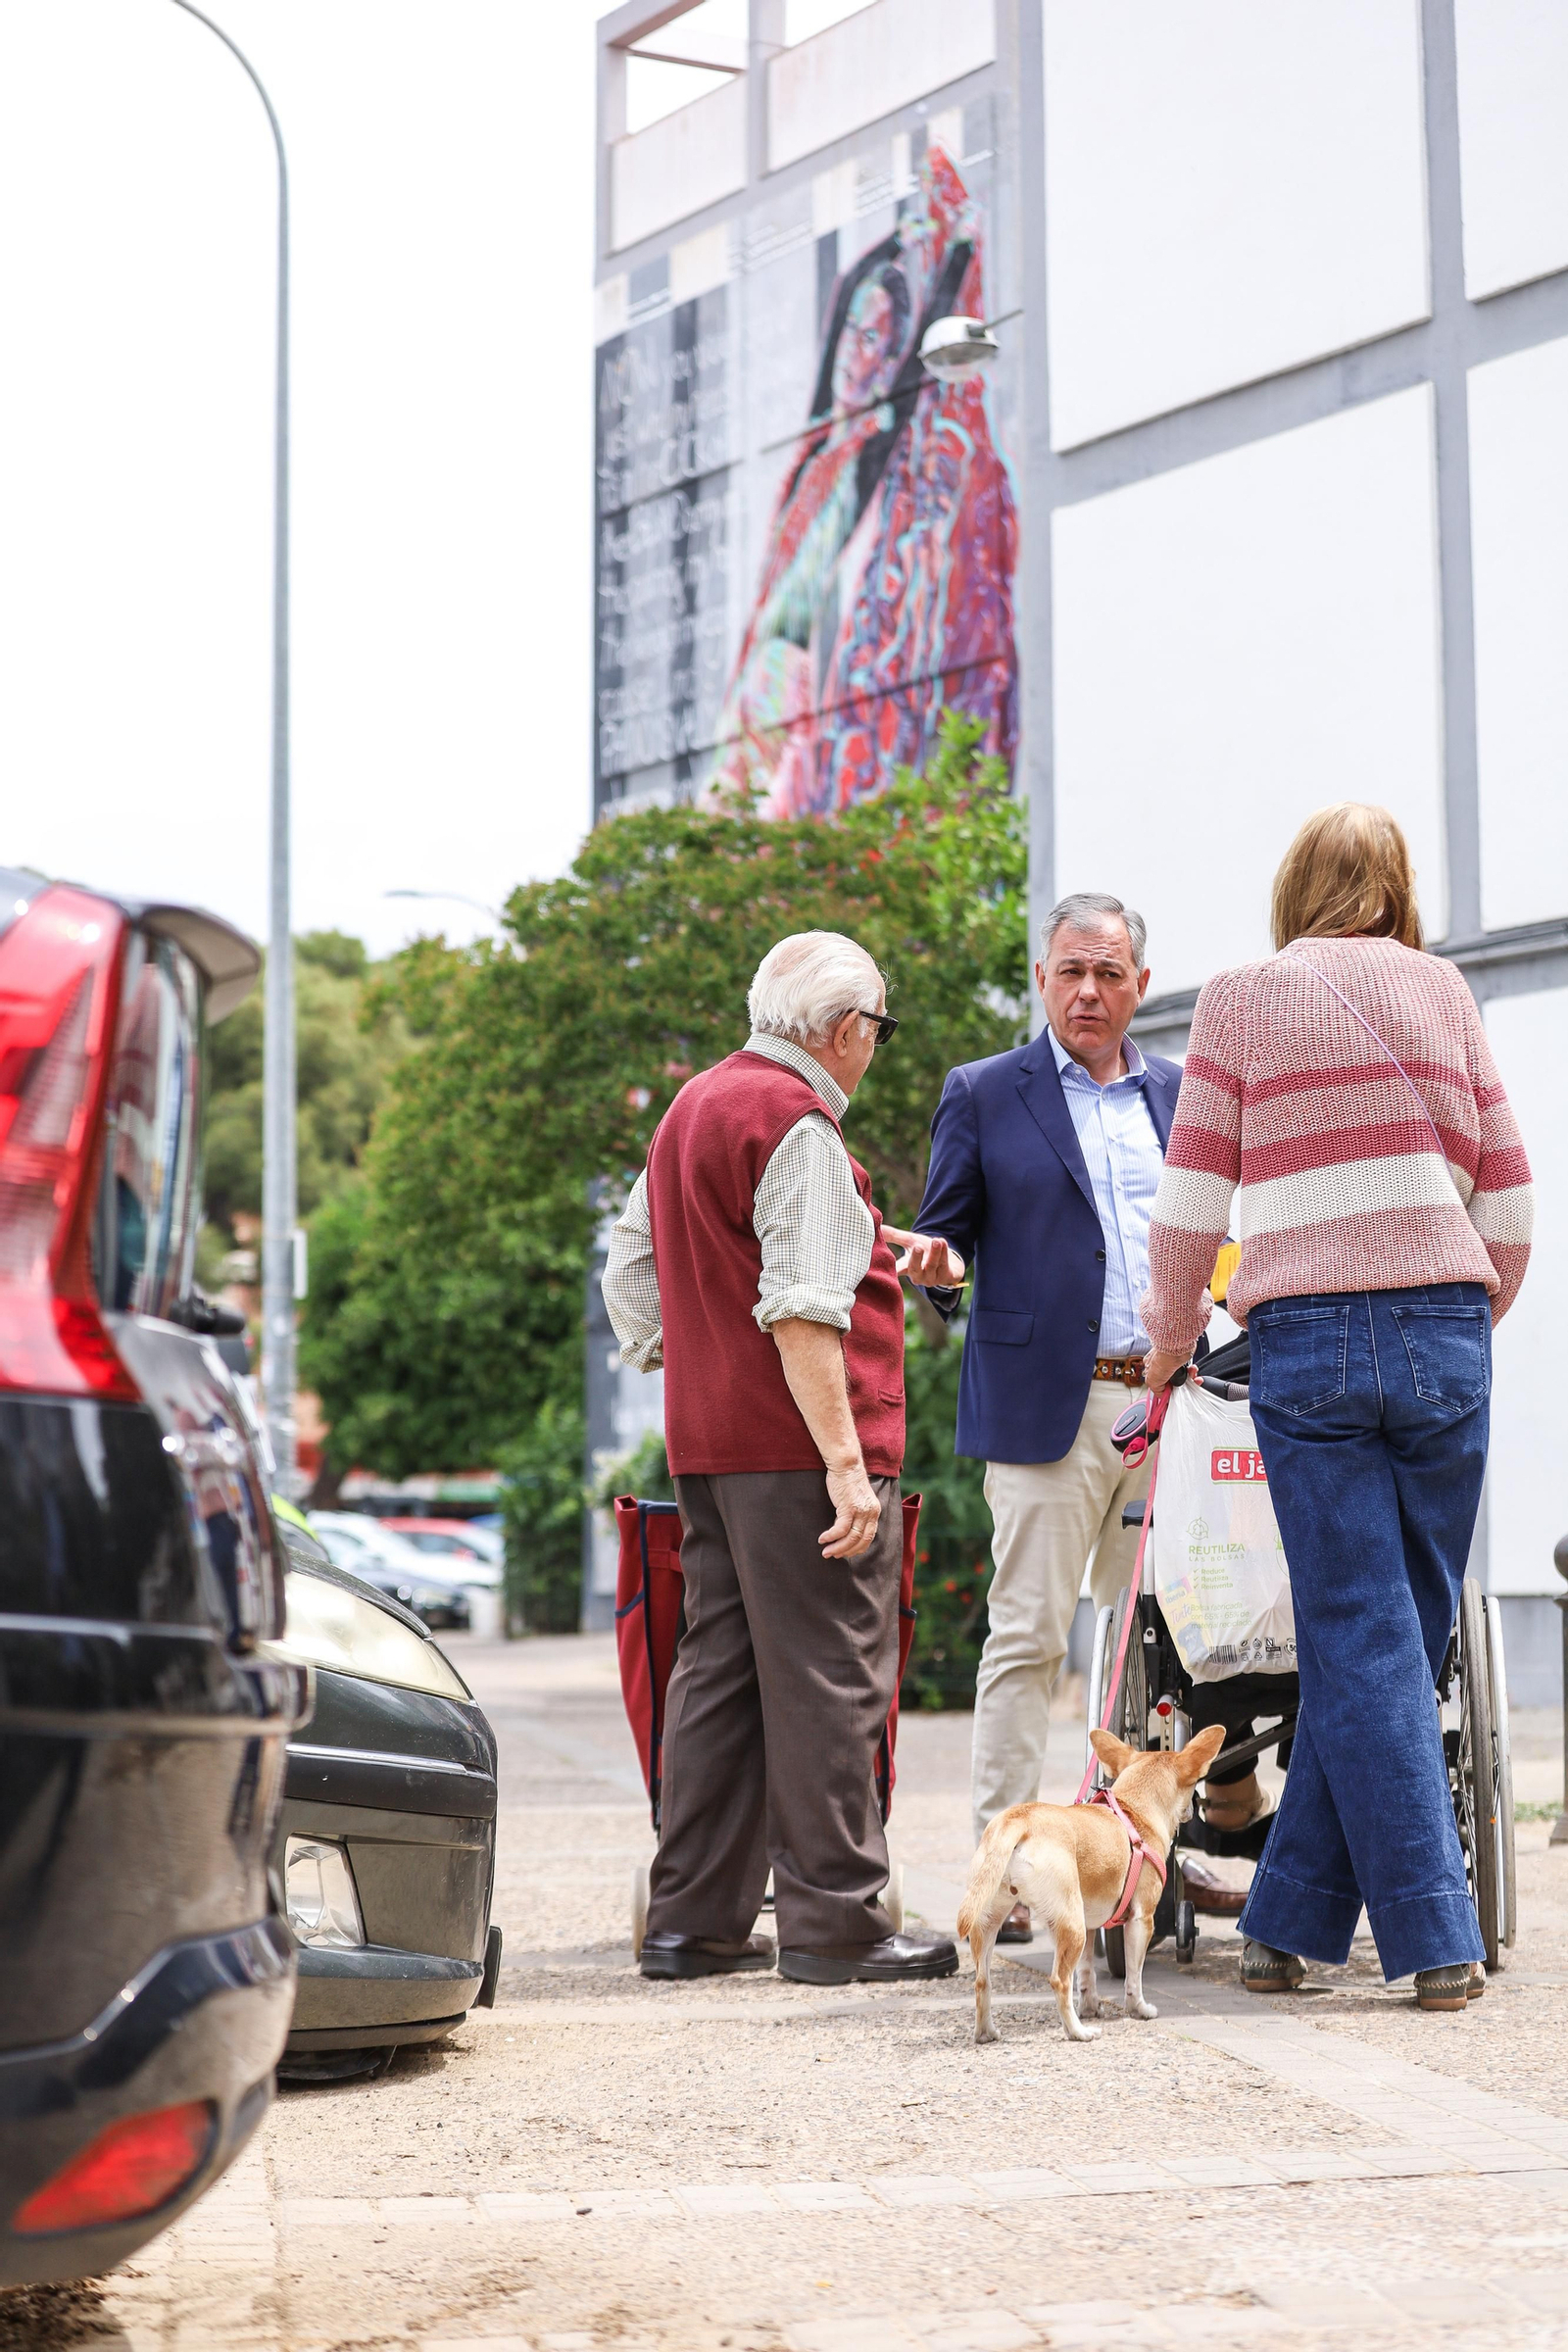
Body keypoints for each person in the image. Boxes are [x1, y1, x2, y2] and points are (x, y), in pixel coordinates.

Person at [1140, 804, 1533, 2012]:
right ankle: (1289, 1920)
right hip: (1443, 1332)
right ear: (1395, 885)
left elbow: (1191, 1201)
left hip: (1306, 1338)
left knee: (1361, 1636)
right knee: (1397, 1643)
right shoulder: (1446, 991)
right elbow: (1509, 1193)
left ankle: (1432, 1935)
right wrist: (1468, 1314)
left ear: (1295, 886)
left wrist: (1164, 1351)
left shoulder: (1243, 997)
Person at [601, 931, 957, 1986]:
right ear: (847, 1030)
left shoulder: (695, 1105)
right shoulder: (795, 1123)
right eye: (877, 1030)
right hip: (799, 1447)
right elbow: (804, 1311)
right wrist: (845, 1465)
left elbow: (631, 1266)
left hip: (709, 1445)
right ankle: (836, 1924)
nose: (874, 1050)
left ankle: (692, 1923)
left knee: (718, 1677)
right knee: (830, 1679)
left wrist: (695, 1348)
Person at [903, 892, 1239, 1938]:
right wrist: (943, 1268)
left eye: (1109, 973)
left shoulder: (1181, 1097)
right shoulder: (982, 1092)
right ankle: (1002, 1870)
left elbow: (1222, 1236)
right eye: (1068, 972)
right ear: (1041, 979)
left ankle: (1135, 1860)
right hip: (1047, 1409)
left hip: (1167, 1406)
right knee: (1028, 1639)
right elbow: (942, 1238)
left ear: (1140, 984)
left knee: (1163, 1642)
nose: (1087, 991)